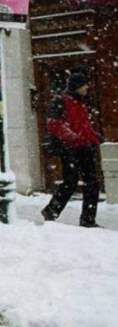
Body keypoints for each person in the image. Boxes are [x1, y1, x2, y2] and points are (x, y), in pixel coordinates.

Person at [41, 73, 104, 228]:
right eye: (84, 85)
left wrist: (95, 138)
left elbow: (84, 126)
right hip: (70, 148)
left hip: (84, 147)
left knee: (91, 183)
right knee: (71, 182)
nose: (87, 87)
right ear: (77, 86)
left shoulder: (81, 103)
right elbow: (54, 124)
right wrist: (73, 137)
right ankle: (52, 210)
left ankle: (87, 219)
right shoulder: (62, 101)